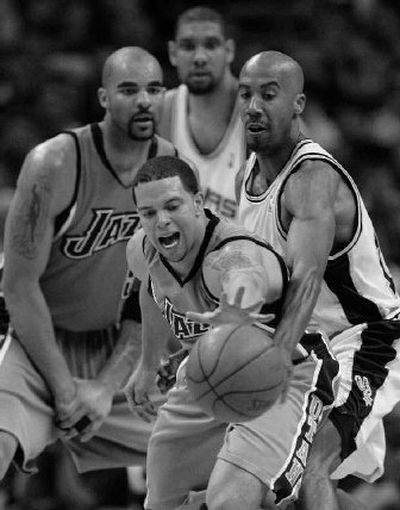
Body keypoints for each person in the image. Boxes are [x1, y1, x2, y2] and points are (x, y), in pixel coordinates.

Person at [0, 46, 177, 483]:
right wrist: (64, 390)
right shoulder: (55, 163)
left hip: (109, 351)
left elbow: (152, 291)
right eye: (128, 90)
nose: (143, 101)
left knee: (224, 457)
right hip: (27, 339)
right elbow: (19, 287)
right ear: (103, 98)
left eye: (154, 89)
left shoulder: (168, 167)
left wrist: (102, 387)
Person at [125, 155, 341, 510]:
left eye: (172, 206)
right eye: (148, 213)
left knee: (233, 497)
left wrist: (238, 307)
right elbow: (151, 292)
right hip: (209, 376)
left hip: (283, 371)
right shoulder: (142, 250)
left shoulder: (231, 253)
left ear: (197, 203)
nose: (161, 221)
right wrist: (148, 363)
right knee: (162, 500)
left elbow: (246, 275)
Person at [236, 50, 400, 509]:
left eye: (269, 94)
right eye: (245, 94)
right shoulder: (247, 174)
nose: (253, 106)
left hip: (365, 340)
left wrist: (271, 360)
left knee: (308, 467)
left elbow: (306, 280)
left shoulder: (311, 179)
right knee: (275, 485)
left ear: (298, 104)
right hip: (311, 342)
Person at [157, 6, 246, 219]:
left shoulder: (258, 111)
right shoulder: (160, 112)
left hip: (253, 249)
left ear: (229, 51)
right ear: (172, 53)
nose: (199, 57)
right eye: (188, 46)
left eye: (211, 45)